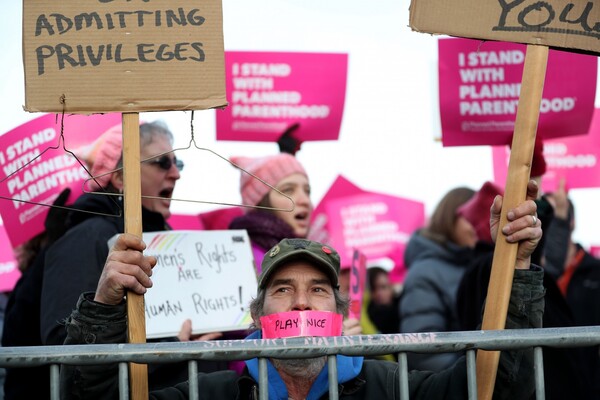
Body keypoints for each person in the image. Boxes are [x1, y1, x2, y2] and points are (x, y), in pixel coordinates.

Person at [61, 181, 544, 399]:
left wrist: (516, 266)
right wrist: (105, 304)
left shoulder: (393, 386)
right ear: (256, 315)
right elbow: (91, 396)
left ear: (338, 311)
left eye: (317, 290)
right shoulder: (211, 392)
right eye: (283, 289)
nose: (299, 301)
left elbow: (495, 384)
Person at [398, 186, 476, 371]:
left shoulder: (475, 264)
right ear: (449, 219)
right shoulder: (424, 272)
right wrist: (474, 380)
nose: (478, 225)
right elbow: (424, 351)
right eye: (470, 218)